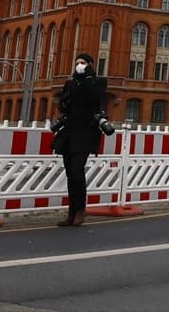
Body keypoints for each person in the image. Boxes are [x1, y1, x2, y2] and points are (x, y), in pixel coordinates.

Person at [51, 53, 106, 227]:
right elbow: (63, 104)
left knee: (77, 170)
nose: (79, 66)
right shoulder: (71, 83)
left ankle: (81, 209)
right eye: (77, 63)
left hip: (85, 132)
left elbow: (96, 100)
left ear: (90, 65)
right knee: (69, 173)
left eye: (82, 63)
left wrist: (88, 78)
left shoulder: (97, 82)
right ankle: (72, 211)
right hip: (69, 131)